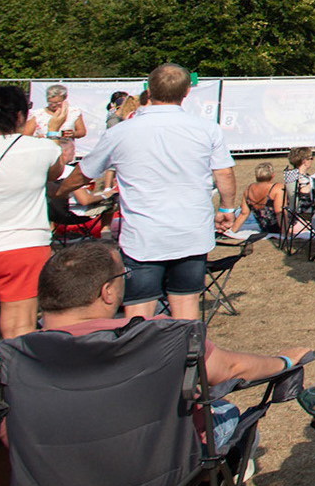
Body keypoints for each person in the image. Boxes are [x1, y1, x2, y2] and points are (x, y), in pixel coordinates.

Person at [0, 240, 309, 451]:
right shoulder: (159, 337)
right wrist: (283, 361)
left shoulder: (3, 361)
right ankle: (212, 485)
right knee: (226, 414)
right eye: (122, 277)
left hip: (50, 481)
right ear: (107, 292)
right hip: (157, 469)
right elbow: (231, 368)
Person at [74, 64, 234, 322]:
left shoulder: (121, 131)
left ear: (148, 91)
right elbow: (224, 173)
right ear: (186, 92)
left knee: (140, 309)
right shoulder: (206, 128)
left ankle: (146, 347)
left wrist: (60, 189)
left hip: (144, 235)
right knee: (186, 304)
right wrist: (226, 208)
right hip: (189, 232)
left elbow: (84, 172)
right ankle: (186, 348)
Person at [0, 86, 81, 349]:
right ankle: (16, 372)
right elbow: (55, 172)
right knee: (19, 325)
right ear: (19, 116)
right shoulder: (39, 149)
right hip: (23, 246)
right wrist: (53, 130)